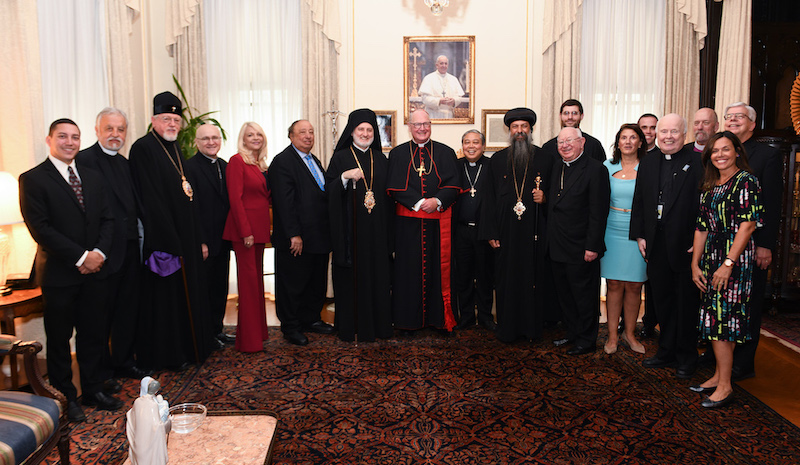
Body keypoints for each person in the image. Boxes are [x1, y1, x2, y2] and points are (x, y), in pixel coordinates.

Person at [19, 118, 120, 422]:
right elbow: (41, 229)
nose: (69, 142)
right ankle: (65, 397)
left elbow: (108, 220)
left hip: (96, 272)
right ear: (49, 140)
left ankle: (93, 389)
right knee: (60, 340)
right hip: (60, 274)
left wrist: (99, 253)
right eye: (62, 136)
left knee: (93, 334)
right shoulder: (32, 179)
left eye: (75, 137)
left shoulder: (93, 176)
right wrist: (81, 257)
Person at [129, 91, 215, 371]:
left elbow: (188, 196)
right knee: (166, 301)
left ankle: (188, 350)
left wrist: (196, 238)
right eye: (166, 119)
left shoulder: (176, 148)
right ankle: (168, 356)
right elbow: (150, 200)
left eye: (176, 120)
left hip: (185, 238)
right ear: (154, 119)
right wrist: (172, 241)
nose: (172, 124)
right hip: (164, 241)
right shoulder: (143, 148)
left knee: (185, 297)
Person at [702, 102, 782, 381]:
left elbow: (768, 208)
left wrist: (765, 244)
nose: (733, 120)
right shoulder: (714, 178)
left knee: (738, 313)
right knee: (718, 315)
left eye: (740, 117)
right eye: (729, 117)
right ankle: (719, 369)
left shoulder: (763, 160)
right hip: (716, 251)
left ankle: (739, 367)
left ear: (752, 123)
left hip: (742, 251)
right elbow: (703, 222)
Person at [76, 108, 149, 384]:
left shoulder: (124, 162)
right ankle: (100, 376)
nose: (115, 135)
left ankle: (123, 361)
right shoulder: (83, 160)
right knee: (99, 319)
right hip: (102, 252)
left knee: (126, 311)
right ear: (97, 130)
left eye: (120, 130)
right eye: (110, 129)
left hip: (130, 248)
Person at [690, 131, 763, 408]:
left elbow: (748, 225)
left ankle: (725, 386)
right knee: (717, 320)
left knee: (723, 323)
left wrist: (728, 264)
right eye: (715, 151)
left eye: (726, 149)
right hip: (711, 258)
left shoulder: (746, 181)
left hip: (734, 260)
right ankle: (719, 375)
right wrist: (695, 263)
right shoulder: (711, 184)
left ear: (737, 152)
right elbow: (701, 226)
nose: (720, 155)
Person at [630, 113, 703, 379]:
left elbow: (703, 207)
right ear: (656, 135)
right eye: (664, 132)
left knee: (686, 304)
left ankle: (686, 356)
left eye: (674, 132)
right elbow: (640, 201)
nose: (668, 137)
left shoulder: (697, 162)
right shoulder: (648, 162)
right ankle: (666, 350)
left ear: (684, 135)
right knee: (662, 301)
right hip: (656, 246)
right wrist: (639, 235)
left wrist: (699, 241)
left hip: (685, 247)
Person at [480, 108, 554, 342]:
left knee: (533, 280)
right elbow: (488, 198)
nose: (520, 131)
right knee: (506, 281)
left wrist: (546, 198)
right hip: (505, 233)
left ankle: (532, 329)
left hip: (535, 232)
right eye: (515, 127)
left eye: (524, 127)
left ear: (530, 130)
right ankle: (508, 329)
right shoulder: (498, 160)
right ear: (509, 131)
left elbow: (559, 196)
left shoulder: (545, 158)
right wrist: (490, 231)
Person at [386, 109, 461, 333]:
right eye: (417, 124)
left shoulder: (446, 152)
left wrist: (437, 200)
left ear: (431, 125)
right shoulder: (398, 154)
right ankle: (409, 321)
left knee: (438, 272)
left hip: (438, 225)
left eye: (426, 124)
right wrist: (419, 203)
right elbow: (393, 187)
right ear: (409, 126)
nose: (422, 128)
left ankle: (438, 319)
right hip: (408, 227)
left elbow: (454, 184)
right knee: (408, 272)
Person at [326, 109, 393, 342]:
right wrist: (344, 177)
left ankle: (378, 326)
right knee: (353, 278)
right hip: (350, 233)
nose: (365, 134)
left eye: (369, 130)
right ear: (352, 132)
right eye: (360, 129)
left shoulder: (382, 160)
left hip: (378, 232)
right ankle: (351, 326)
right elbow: (328, 190)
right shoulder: (340, 157)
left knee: (378, 277)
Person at [268, 120, 334, 346]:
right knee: (292, 284)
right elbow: (283, 203)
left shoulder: (313, 160)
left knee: (315, 281)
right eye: (302, 132)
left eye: (311, 131)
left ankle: (311, 319)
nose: (308, 136)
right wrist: (293, 234)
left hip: (318, 237)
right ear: (291, 136)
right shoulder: (282, 161)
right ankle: (291, 326)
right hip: (296, 238)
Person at [547, 127, 610, 355]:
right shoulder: (557, 167)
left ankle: (587, 339)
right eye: (560, 142)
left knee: (584, 296)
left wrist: (592, 246)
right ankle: (572, 332)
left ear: (582, 142)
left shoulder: (596, 169)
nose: (564, 145)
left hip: (582, 246)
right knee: (565, 294)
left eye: (569, 141)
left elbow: (598, 211)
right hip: (558, 244)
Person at [222, 122, 271, 352]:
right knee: (248, 284)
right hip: (246, 233)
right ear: (243, 139)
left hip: (259, 230)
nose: (255, 138)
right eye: (250, 134)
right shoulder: (236, 161)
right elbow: (235, 199)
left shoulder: (260, 165)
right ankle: (249, 342)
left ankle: (259, 333)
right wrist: (245, 232)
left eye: (259, 134)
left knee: (256, 282)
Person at [599, 124, 647, 355]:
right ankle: (612, 336)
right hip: (611, 229)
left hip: (637, 232)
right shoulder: (606, 167)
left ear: (640, 142)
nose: (628, 142)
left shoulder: (649, 168)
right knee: (614, 284)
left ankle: (630, 334)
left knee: (635, 285)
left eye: (633, 137)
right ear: (617, 142)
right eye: (623, 138)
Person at [184, 124, 232, 349]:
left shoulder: (225, 165)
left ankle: (217, 330)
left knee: (219, 287)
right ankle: (204, 336)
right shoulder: (189, 168)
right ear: (197, 142)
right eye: (205, 139)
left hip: (223, 239)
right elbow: (191, 209)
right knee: (203, 290)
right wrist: (200, 240)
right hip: (204, 241)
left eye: (214, 138)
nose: (211, 142)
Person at [453, 129, 495, 331]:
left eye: (476, 142)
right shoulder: (455, 166)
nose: (471, 146)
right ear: (462, 146)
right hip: (460, 231)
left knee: (485, 275)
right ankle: (467, 316)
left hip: (484, 231)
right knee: (464, 276)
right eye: (467, 142)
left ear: (483, 146)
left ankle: (486, 317)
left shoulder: (492, 166)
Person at [637, 113, 660, 339]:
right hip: (636, 227)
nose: (648, 132)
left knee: (652, 281)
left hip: (657, 230)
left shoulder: (664, 155)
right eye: (644, 127)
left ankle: (651, 321)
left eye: (653, 127)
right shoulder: (632, 154)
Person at [542, 99, 607, 162]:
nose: (570, 117)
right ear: (560, 116)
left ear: (581, 116)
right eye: (566, 113)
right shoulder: (548, 147)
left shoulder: (594, 145)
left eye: (574, 113)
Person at [126, 377, 169, 465]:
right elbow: (157, 425)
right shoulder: (152, 405)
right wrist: (167, 423)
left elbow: (131, 415)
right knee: (150, 457)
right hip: (148, 437)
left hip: (139, 435)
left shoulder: (138, 401)